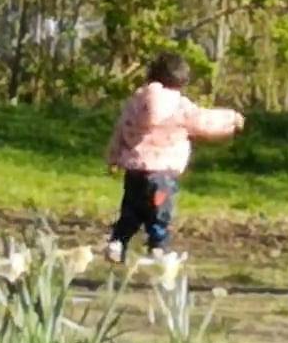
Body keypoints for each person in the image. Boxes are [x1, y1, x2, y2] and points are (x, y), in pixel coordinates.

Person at [104, 52, 245, 258]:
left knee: (131, 212)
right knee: (160, 213)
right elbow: (204, 121)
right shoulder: (180, 106)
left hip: (135, 171)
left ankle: (117, 242)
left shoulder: (135, 102)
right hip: (163, 175)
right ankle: (158, 248)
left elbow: (120, 129)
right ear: (181, 79)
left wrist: (113, 157)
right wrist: (232, 120)